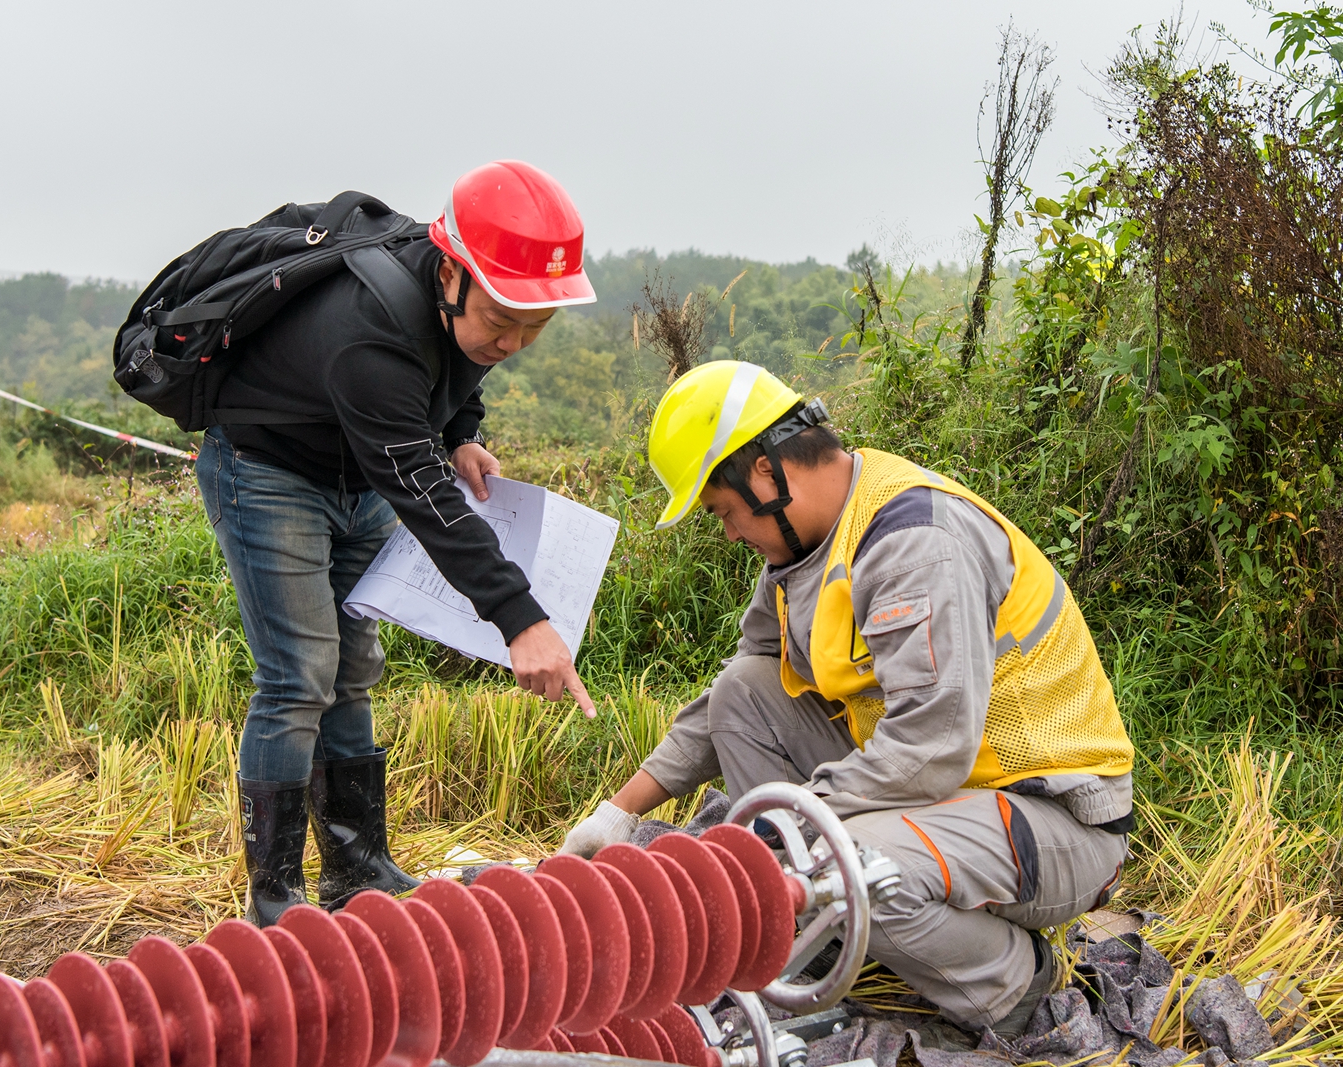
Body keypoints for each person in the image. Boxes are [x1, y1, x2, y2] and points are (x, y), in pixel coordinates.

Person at [561, 361, 1136, 1037]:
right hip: (944, 795)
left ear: (767, 474)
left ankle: (1012, 983)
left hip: (1051, 818)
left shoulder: (913, 542)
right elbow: (735, 691)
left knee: (844, 860)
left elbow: (929, 748)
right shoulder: (800, 555)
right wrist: (619, 812)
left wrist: (783, 832)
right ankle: (822, 923)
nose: (729, 533)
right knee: (743, 693)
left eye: (724, 510)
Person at [201, 160, 598, 925]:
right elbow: (421, 492)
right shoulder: (370, 331)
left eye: (533, 327)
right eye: (501, 319)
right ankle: (274, 903)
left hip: (357, 472)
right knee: (299, 673)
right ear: (451, 274)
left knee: (354, 666)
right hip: (267, 469)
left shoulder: (456, 309)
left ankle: (358, 873)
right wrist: (521, 618)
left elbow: (455, 368)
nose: (513, 341)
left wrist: (461, 434)